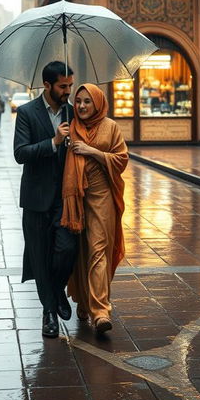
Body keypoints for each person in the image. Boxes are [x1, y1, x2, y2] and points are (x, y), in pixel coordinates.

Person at [14, 61, 77, 338]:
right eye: (63, 86)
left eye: (70, 86)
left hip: (65, 199)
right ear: (47, 85)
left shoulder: (74, 113)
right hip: (36, 199)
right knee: (39, 257)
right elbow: (21, 153)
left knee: (67, 250)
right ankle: (49, 313)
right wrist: (53, 142)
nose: (68, 91)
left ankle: (57, 291)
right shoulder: (27, 112)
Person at [61, 83, 128, 334]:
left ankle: (100, 311)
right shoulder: (71, 127)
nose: (81, 106)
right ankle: (84, 301)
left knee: (99, 250)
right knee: (80, 252)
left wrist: (92, 151)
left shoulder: (110, 127)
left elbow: (121, 159)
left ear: (98, 102)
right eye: (78, 101)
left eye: (87, 101)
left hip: (102, 198)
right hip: (75, 200)